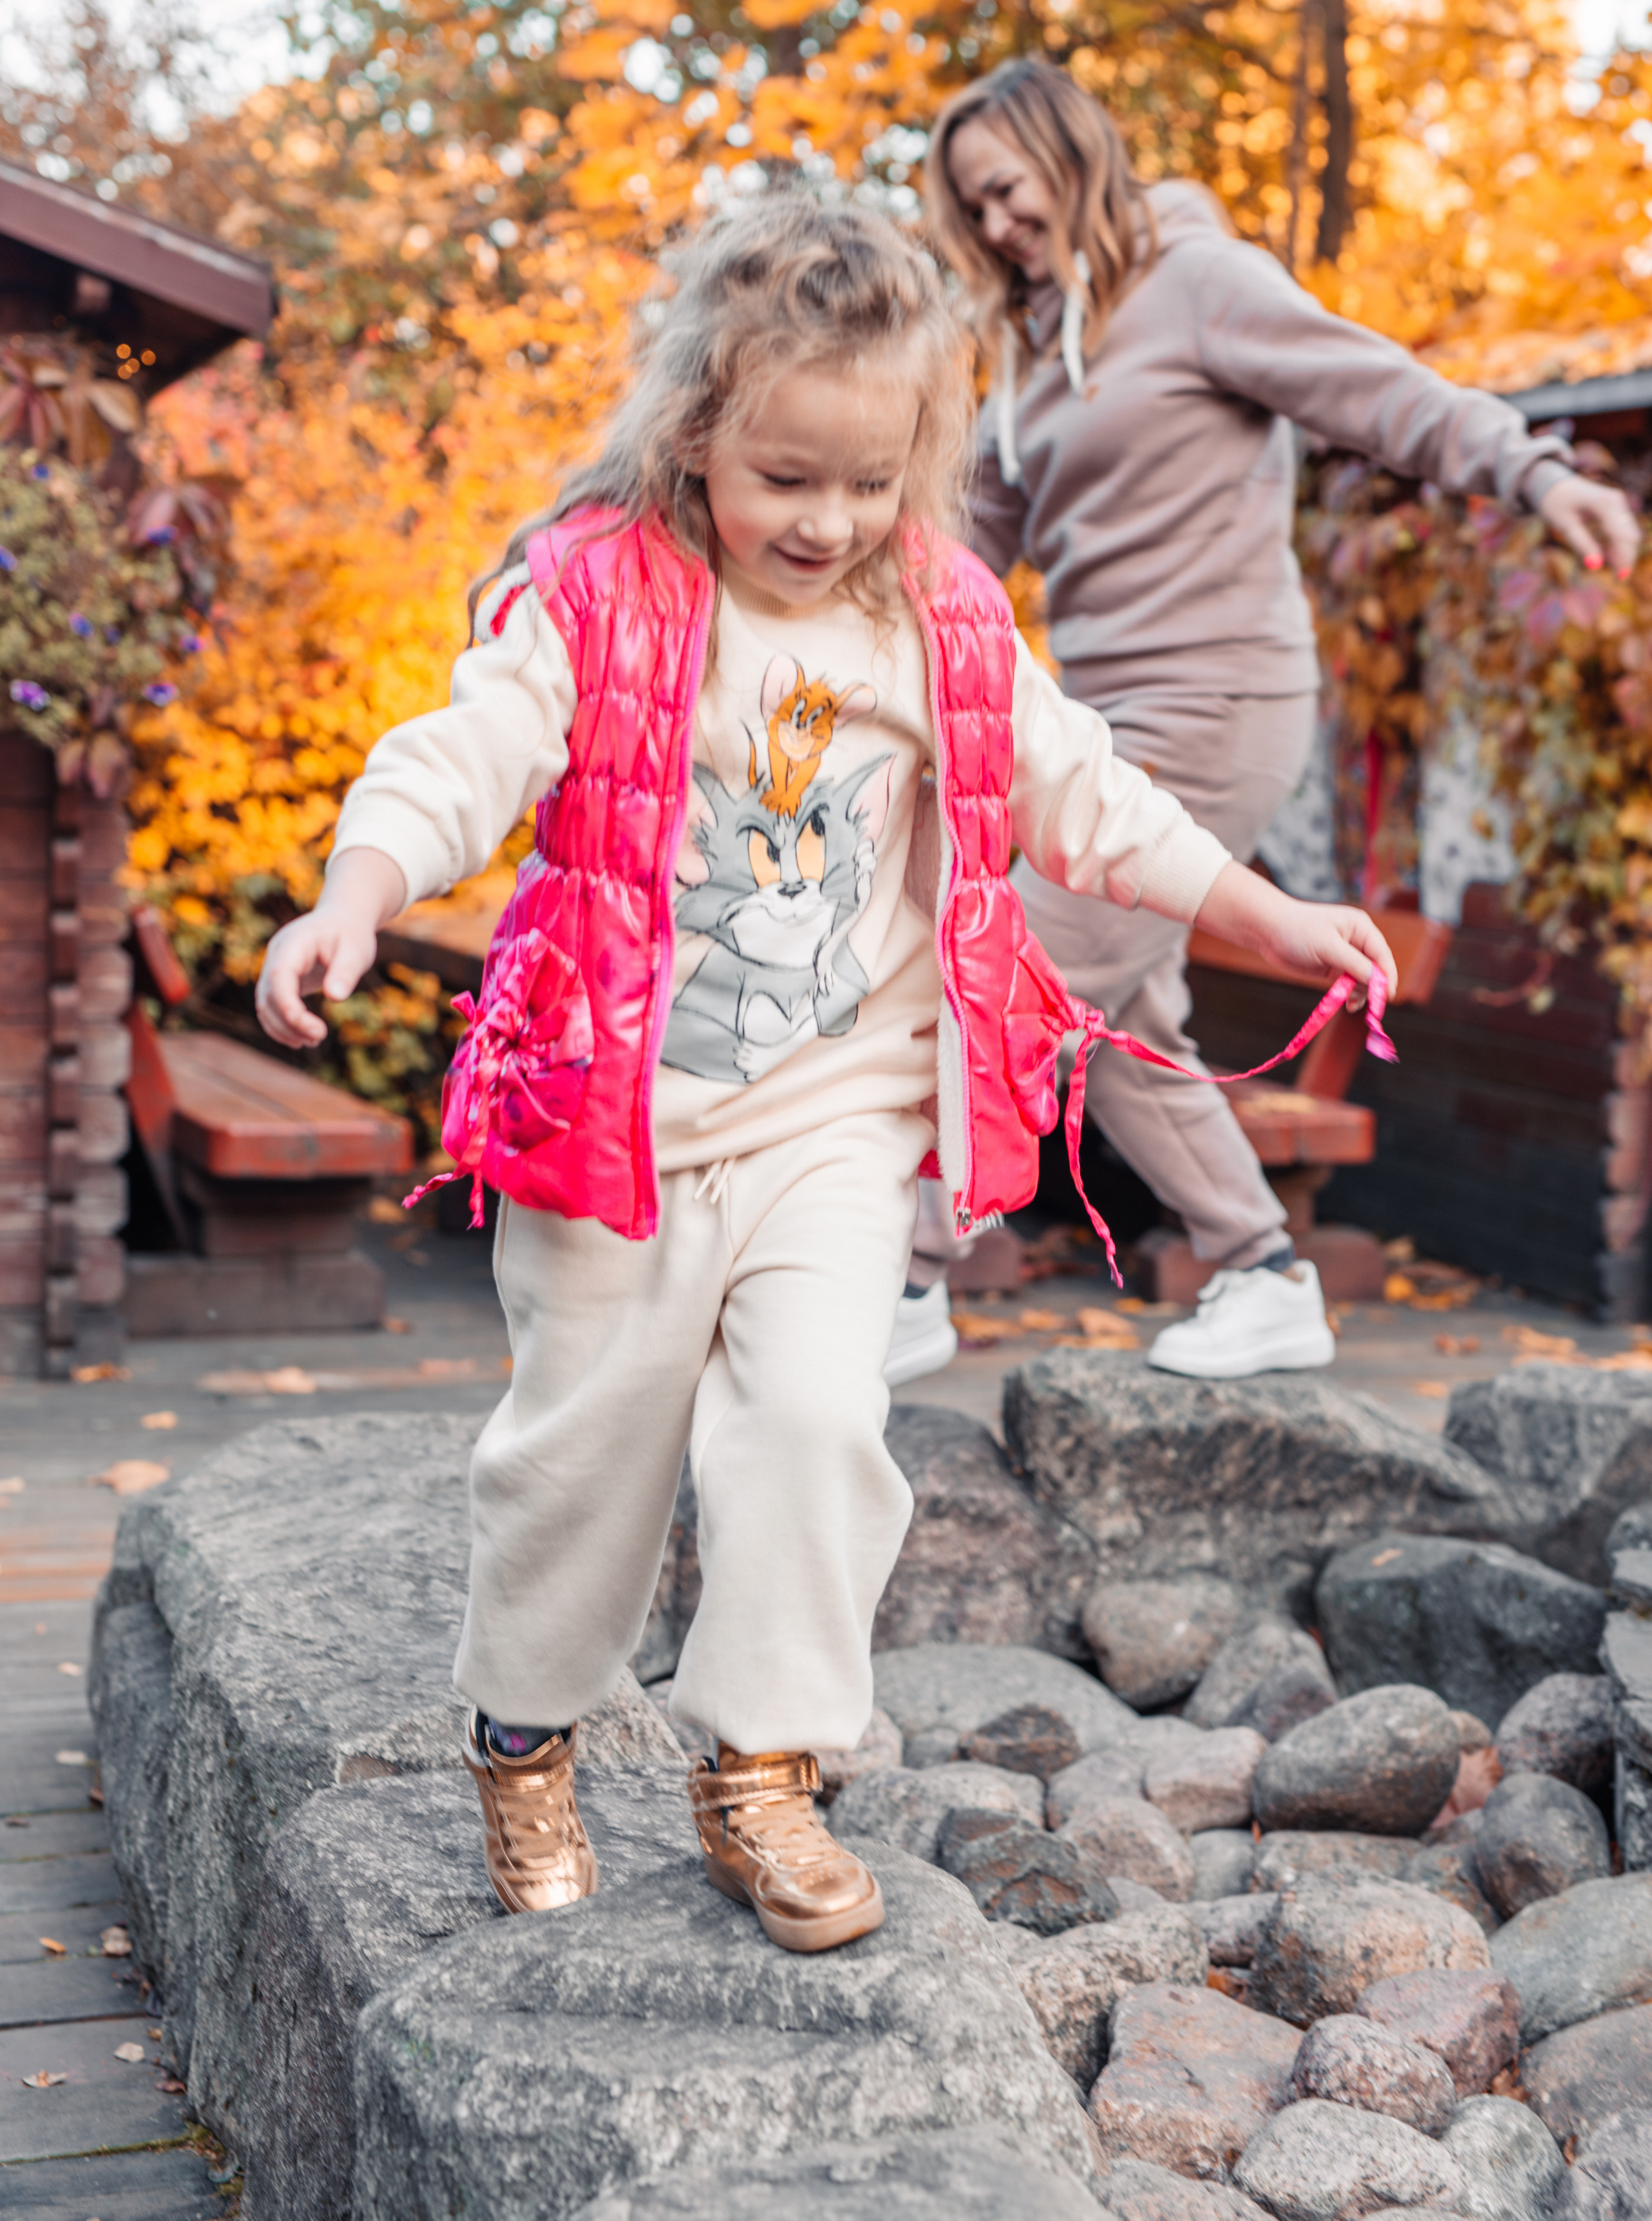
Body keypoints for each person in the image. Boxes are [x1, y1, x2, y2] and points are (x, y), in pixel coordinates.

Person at [256, 191, 1397, 1954]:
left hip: (837, 1120)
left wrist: (1273, 915)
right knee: (581, 1460)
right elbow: (459, 755)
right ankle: (527, 1736)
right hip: (615, 1125)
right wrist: (357, 894)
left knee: (812, 1417)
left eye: (869, 482)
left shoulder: (936, 618)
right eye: (785, 476)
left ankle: (762, 1769)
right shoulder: (601, 595)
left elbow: (1092, 799)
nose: (828, 520)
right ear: (696, 433)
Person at [924, 57, 1640, 1381]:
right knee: (1118, 1022)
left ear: (1072, 156)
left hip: (1216, 700)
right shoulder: (1029, 352)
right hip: (1102, 724)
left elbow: (1380, 390)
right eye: (972, 209)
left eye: (1008, 190)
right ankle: (1261, 1272)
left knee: (1012, 979)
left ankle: (901, 1280)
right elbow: (964, 540)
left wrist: (1533, 472)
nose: (996, 224)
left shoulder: (1198, 281)